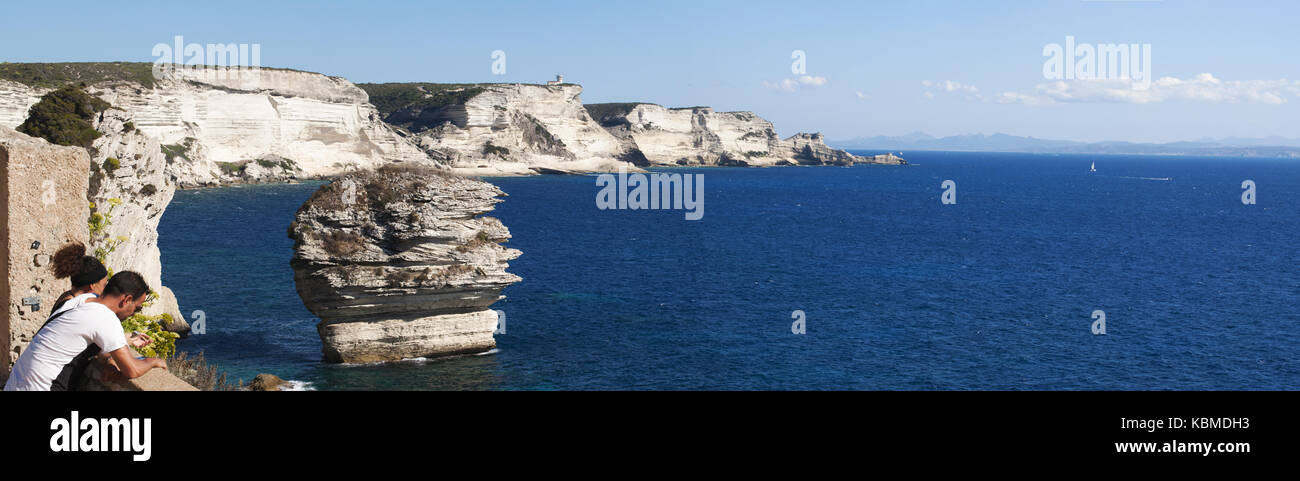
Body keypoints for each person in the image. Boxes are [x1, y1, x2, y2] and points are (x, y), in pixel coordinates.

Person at [4, 271, 166, 391]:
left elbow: (82, 339)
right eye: (136, 308)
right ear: (126, 300)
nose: (132, 314)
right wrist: (153, 361)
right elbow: (133, 370)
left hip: (15, 385)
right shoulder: (106, 318)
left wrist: (110, 358)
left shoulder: (80, 301)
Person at [49, 242, 108, 313]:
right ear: (92, 285)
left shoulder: (68, 297)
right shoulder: (74, 307)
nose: (105, 289)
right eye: (104, 285)